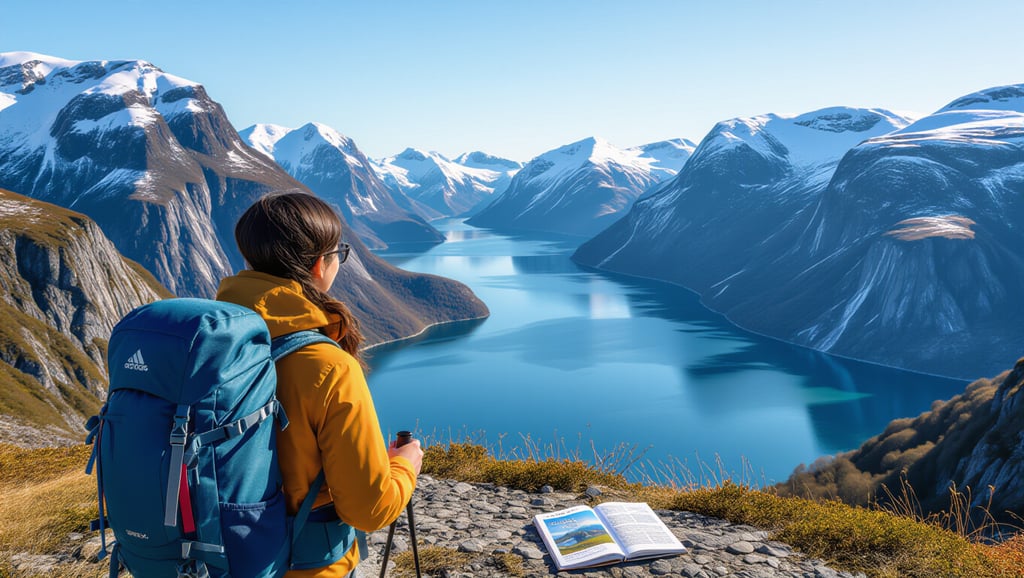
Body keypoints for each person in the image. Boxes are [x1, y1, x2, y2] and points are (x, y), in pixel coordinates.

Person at [216, 190, 423, 577]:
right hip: (298, 565)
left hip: (207, 553)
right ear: (318, 266)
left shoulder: (211, 343)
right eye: (337, 254)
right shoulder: (328, 367)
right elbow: (368, 508)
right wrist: (405, 466)